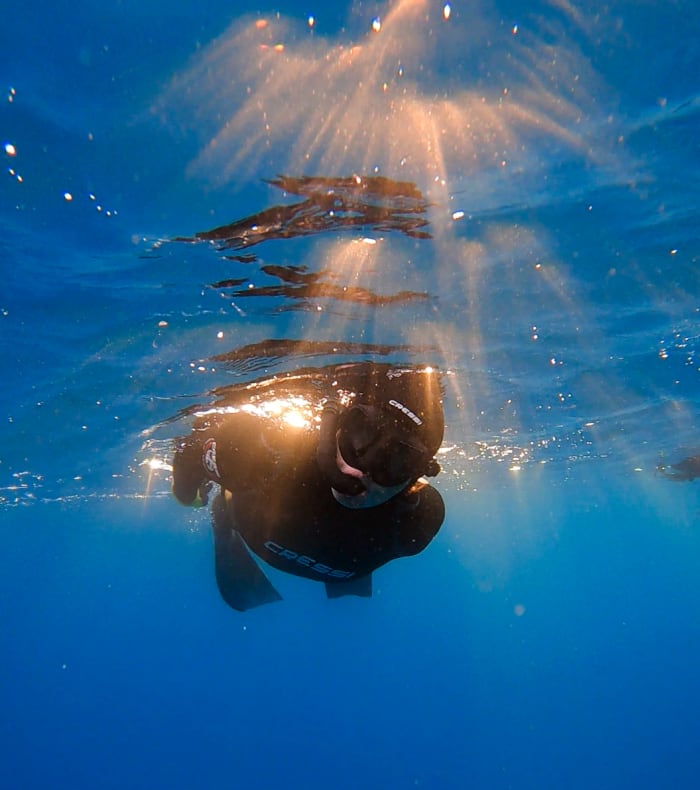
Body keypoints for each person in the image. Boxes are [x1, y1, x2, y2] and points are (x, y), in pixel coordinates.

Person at [172, 362, 445, 611]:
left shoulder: (419, 519)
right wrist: (206, 469)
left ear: (416, 478)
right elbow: (186, 488)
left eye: (397, 462)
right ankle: (222, 516)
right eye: (360, 436)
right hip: (248, 523)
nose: (358, 472)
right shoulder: (273, 451)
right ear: (337, 425)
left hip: (317, 557)